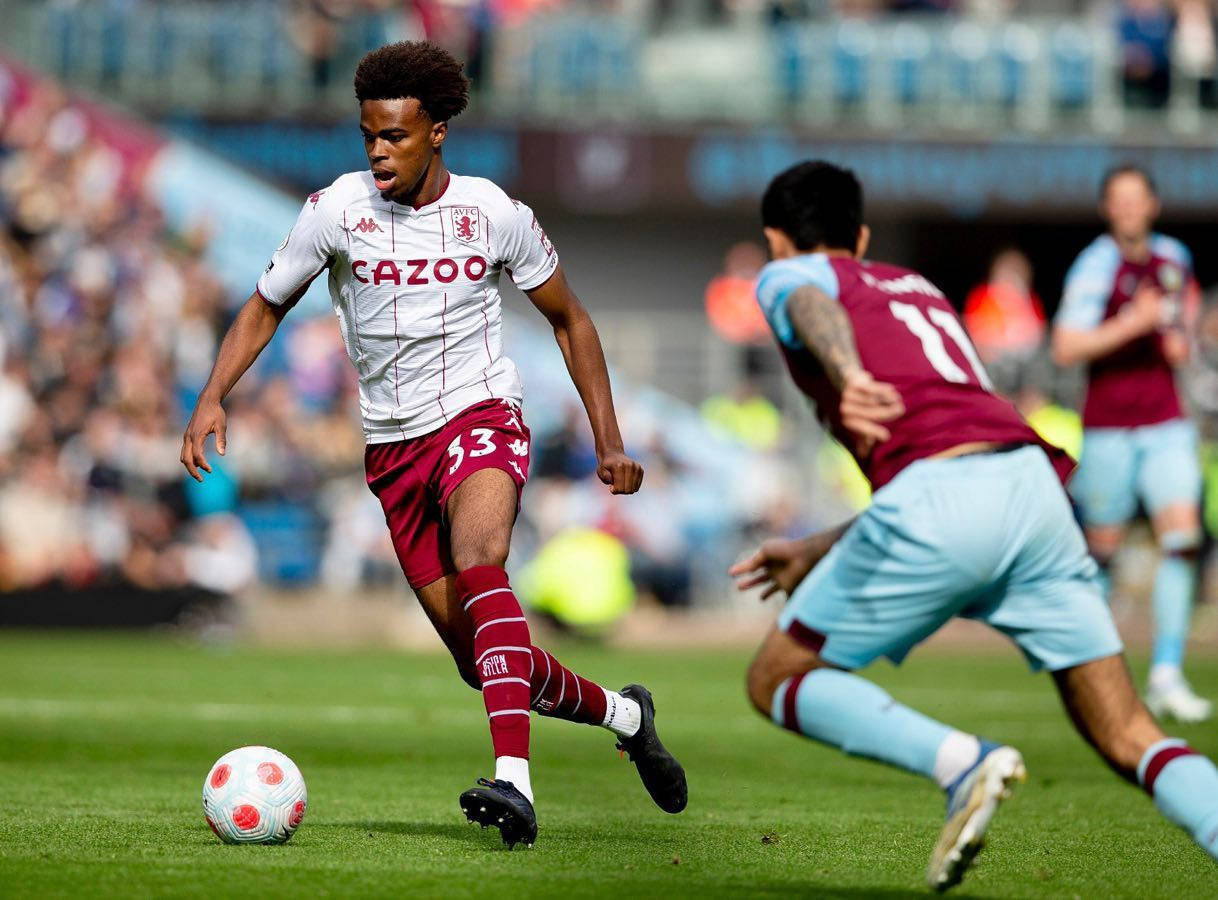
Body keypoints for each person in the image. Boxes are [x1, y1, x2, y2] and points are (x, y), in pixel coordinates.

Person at [180, 41, 686, 849]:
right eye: (368, 136)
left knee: (482, 560)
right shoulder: (334, 210)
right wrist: (213, 394)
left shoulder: (493, 212)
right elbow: (266, 303)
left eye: (396, 137)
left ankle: (514, 784)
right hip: (391, 448)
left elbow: (571, 318)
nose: (378, 151)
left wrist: (608, 440)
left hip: (480, 413)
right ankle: (627, 715)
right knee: (483, 657)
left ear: (438, 131)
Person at [729, 161, 1218, 891]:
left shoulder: (789, 272)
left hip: (941, 498)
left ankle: (961, 764)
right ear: (862, 237)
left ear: (775, 239)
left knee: (775, 678)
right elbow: (960, 434)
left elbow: (806, 300)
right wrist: (822, 545)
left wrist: (849, 372)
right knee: (1128, 733)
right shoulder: (920, 290)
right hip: (1033, 492)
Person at [1051, 164, 1209, 723]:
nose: (1127, 209)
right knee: (1103, 552)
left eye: (1135, 199)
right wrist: (1134, 323)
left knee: (1182, 538)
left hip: (1165, 420)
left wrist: (1178, 341)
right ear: (1106, 209)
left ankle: (1166, 672)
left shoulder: (1174, 258)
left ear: (1153, 205)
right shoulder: (1095, 266)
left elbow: (1180, 329)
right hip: (1109, 425)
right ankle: (1088, 674)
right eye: (1117, 200)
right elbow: (1065, 347)